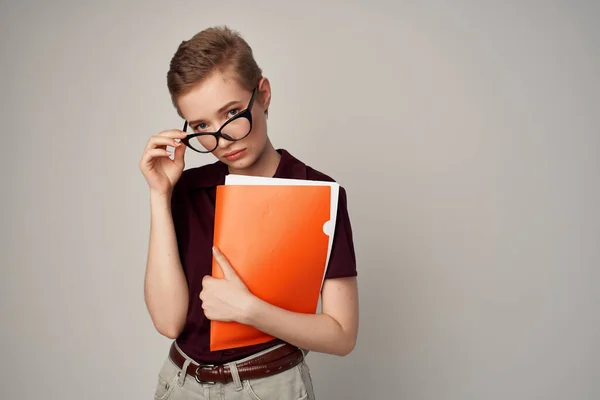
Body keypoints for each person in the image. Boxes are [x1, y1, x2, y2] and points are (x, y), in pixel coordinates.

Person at [139, 26, 359, 400]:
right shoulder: (188, 190)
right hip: (180, 384)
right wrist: (160, 195)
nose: (221, 139)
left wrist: (248, 309)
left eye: (232, 112)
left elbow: (341, 335)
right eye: (202, 126)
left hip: (269, 387)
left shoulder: (319, 192)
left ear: (264, 93)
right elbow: (167, 320)